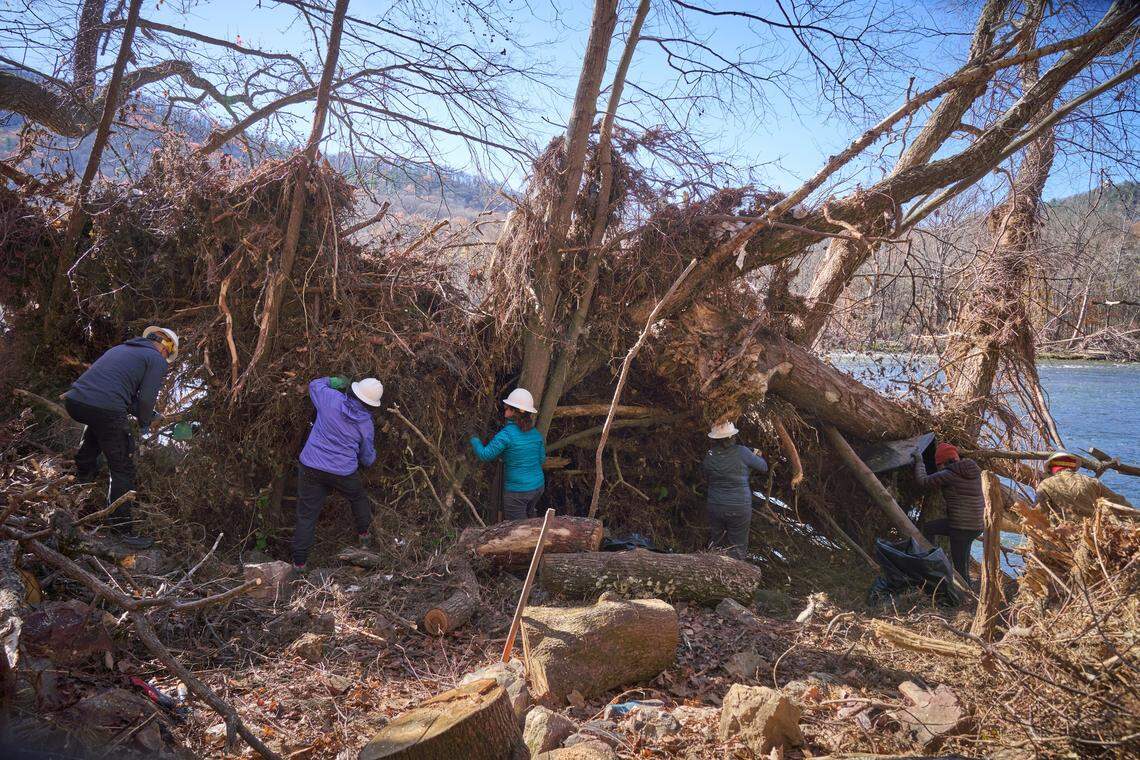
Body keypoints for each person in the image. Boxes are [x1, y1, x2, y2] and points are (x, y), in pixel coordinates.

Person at [64, 326, 179, 548]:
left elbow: (119, 393)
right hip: (105, 408)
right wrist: (146, 421)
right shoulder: (155, 359)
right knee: (122, 468)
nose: (166, 357)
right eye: (168, 354)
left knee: (95, 436)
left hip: (76, 400)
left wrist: (149, 415)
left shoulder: (122, 349)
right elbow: (145, 399)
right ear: (166, 348)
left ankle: (76, 489)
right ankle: (121, 531)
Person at [292, 375, 384, 570]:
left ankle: (299, 564)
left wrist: (333, 381)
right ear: (372, 405)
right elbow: (367, 458)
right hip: (343, 472)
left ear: (353, 390)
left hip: (311, 467)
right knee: (358, 498)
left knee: (307, 516)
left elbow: (314, 384)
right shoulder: (366, 424)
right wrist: (374, 456)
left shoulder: (331, 399)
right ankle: (365, 538)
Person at [470, 388, 546, 521]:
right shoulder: (536, 434)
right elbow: (541, 459)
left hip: (518, 492)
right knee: (530, 520)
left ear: (514, 412)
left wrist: (473, 439)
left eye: (507, 409)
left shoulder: (506, 435)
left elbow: (484, 455)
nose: (504, 414)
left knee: (519, 531)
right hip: (538, 487)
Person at [912, 443, 983, 583]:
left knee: (960, 569)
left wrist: (919, 461)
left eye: (938, 465)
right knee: (929, 528)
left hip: (961, 527)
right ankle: (933, 557)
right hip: (976, 526)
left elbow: (923, 481)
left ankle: (966, 598)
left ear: (943, 462)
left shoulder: (949, 474)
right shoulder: (974, 472)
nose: (938, 468)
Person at [702, 421, 768, 560]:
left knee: (717, 543)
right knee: (738, 547)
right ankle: (736, 575)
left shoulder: (709, 455)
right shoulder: (743, 452)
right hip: (739, 506)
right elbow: (763, 467)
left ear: (714, 439)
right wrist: (756, 454)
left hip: (716, 505)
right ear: (732, 437)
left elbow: (707, 475)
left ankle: (713, 571)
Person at [1035, 451, 1132, 520]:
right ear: (1073, 467)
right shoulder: (1091, 481)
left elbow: (1039, 514)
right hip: (1092, 534)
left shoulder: (1046, 485)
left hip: (1064, 535)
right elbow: (1119, 502)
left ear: (1051, 468)